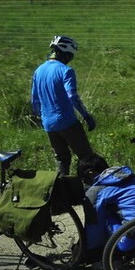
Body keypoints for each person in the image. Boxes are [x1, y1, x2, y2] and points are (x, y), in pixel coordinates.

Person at [30, 35, 97, 175]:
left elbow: (34, 100)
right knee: (87, 158)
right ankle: (90, 190)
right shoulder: (66, 71)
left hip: (48, 124)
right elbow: (72, 96)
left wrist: (43, 118)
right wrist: (86, 116)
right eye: (70, 56)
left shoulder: (39, 70)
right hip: (67, 122)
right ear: (66, 54)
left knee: (62, 159)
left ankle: (63, 189)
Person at [78, 154, 135, 259]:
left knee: (101, 214)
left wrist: (90, 252)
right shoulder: (131, 177)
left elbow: (94, 227)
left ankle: (122, 252)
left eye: (84, 180)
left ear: (90, 174)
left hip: (130, 238)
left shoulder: (96, 191)